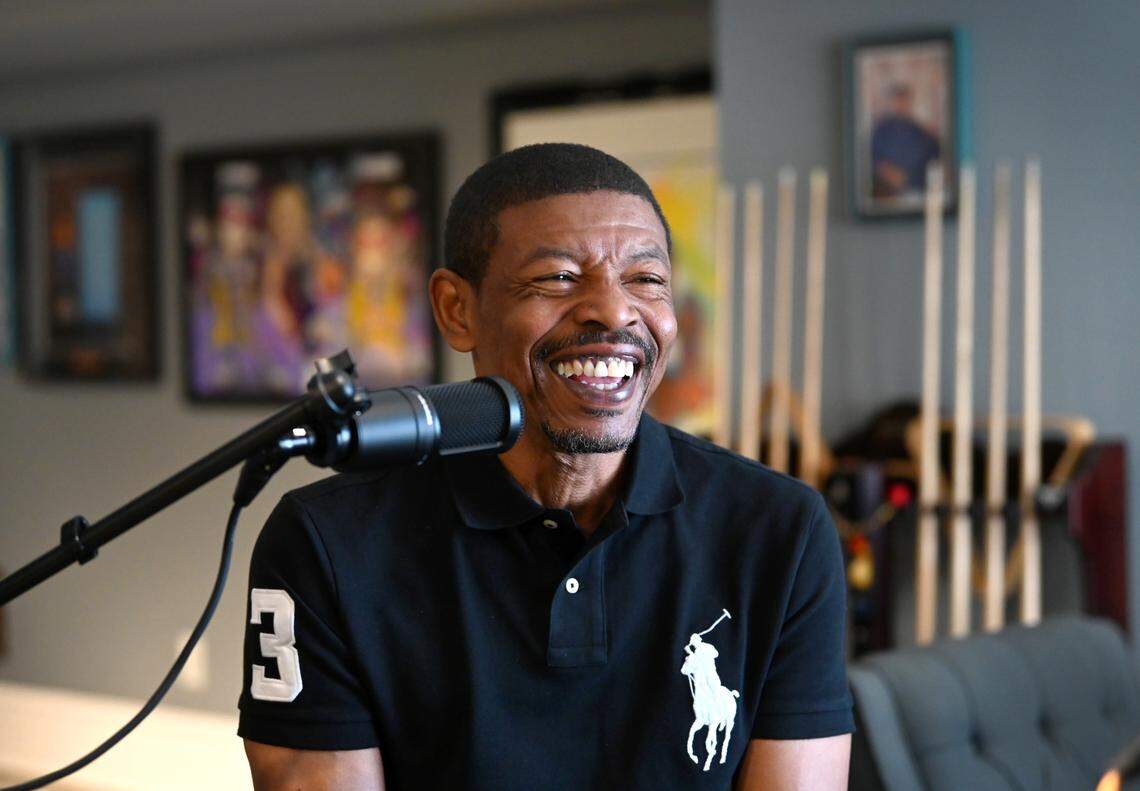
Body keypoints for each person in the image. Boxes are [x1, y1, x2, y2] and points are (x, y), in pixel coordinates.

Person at [238, 143, 853, 789]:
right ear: (457, 309)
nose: (614, 310)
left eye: (646, 280)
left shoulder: (780, 531)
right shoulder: (326, 544)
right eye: (558, 276)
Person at [871, 82, 941, 198]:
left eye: (904, 101)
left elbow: (934, 154)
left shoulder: (918, 130)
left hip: (915, 190)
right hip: (885, 192)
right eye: (897, 100)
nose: (901, 105)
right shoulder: (881, 129)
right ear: (891, 102)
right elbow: (873, 157)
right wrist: (888, 172)